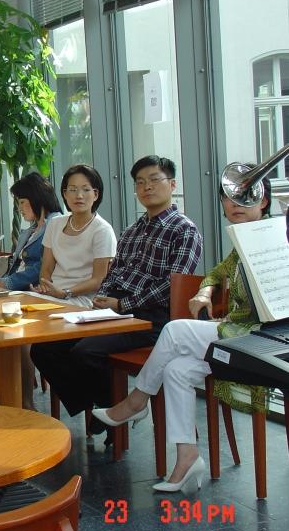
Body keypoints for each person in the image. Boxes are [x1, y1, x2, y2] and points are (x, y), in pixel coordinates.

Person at [92, 178, 272, 492]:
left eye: (245, 198)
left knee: (174, 330)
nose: (234, 205)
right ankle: (187, 457)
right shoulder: (241, 242)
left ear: (264, 202)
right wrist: (205, 292)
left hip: (263, 339)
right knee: (176, 370)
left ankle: (136, 401)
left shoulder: (274, 236)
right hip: (237, 335)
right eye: (228, 198)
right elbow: (216, 273)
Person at [31, 155, 203, 431]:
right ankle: (106, 406)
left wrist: (122, 303)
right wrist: (103, 300)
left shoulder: (184, 230)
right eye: (140, 182)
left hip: (151, 318)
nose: (146, 187)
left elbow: (171, 285)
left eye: (154, 180)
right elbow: (113, 273)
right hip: (114, 311)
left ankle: (113, 414)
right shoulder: (132, 230)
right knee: (44, 348)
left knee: (85, 351)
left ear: (172, 185)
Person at [31, 165, 116, 307]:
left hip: (84, 299)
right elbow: (46, 269)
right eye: (73, 189)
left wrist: (65, 293)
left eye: (86, 189)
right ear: (65, 194)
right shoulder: (55, 224)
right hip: (54, 295)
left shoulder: (102, 230)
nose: (79, 196)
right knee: (18, 303)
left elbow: (98, 280)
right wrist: (46, 287)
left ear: (96, 194)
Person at [0, 172, 62, 291]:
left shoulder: (56, 223)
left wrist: (9, 283)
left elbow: (42, 267)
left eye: (22, 202)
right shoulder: (30, 231)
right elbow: (16, 268)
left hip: (33, 290)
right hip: (17, 289)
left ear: (36, 198)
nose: (19, 208)